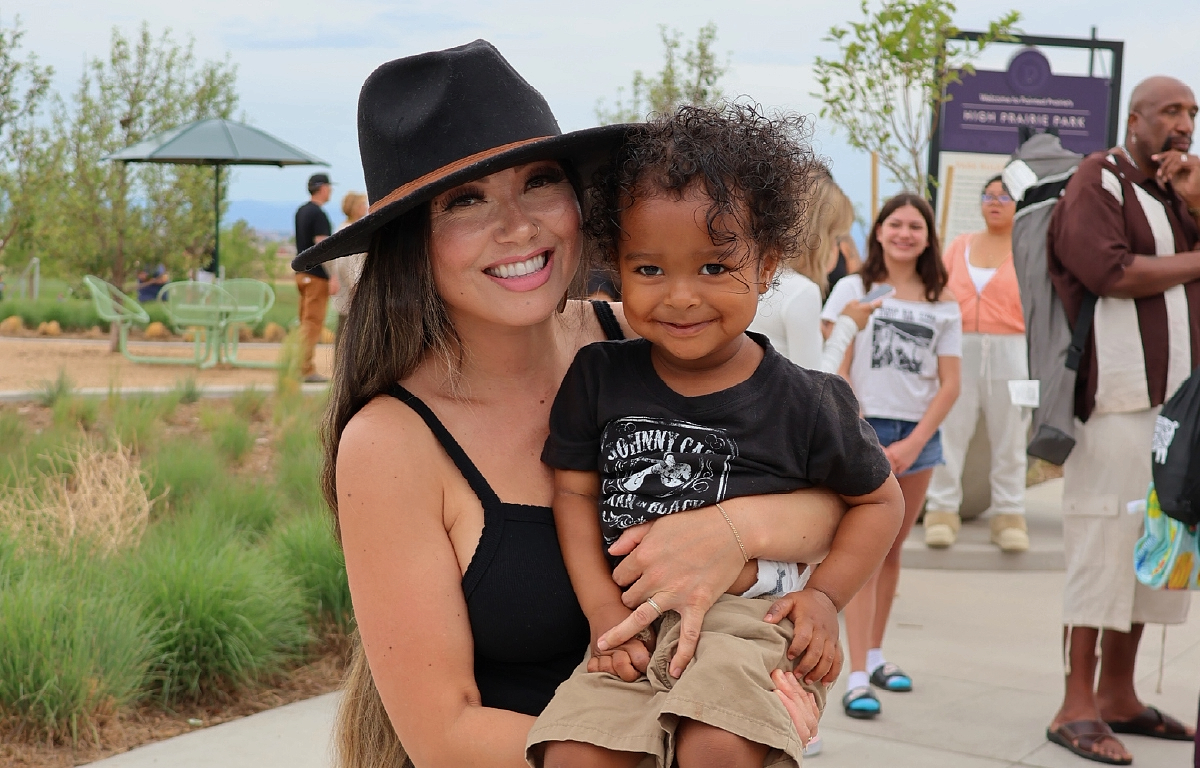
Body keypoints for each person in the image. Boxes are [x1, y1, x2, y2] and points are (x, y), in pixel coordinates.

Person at [293, 41, 847, 768]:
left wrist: (736, 533)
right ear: (412, 241)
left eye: (539, 183)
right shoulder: (393, 442)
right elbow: (444, 735)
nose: (519, 226)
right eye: (466, 200)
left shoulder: (647, 340)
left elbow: (836, 501)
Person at [529, 105, 904, 768]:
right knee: (572, 754)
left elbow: (880, 502)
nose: (680, 297)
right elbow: (573, 493)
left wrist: (823, 596)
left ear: (766, 267)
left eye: (713, 268)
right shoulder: (599, 376)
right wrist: (598, 610)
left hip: (746, 621)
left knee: (718, 748)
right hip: (631, 621)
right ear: (615, 266)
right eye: (649, 270)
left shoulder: (808, 401)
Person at [1042, 75, 1199, 766]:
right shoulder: (1095, 179)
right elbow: (1106, 271)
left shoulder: (1178, 192)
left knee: (1156, 547)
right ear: (1135, 119)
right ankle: (1074, 706)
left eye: (1192, 112)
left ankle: (1120, 695)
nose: (1185, 122)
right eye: (1171, 110)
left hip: (1177, 405)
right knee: (1102, 543)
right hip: (1116, 400)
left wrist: (1194, 193)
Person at [821, 193, 962, 719]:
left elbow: (950, 384)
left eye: (916, 226)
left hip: (918, 438)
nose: (905, 233)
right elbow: (835, 365)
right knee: (865, 553)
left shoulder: (940, 297)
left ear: (928, 237)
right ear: (879, 231)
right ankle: (856, 677)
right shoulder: (854, 289)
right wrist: (862, 434)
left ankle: (876, 656)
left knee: (894, 550)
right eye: (896, 224)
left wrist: (913, 442)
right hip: (863, 428)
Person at [923, 177, 1030, 551]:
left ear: (1018, 203)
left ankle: (1009, 513)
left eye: (1004, 196)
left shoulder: (1028, 248)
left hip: (1013, 347)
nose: (995, 202)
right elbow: (937, 291)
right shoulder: (960, 245)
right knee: (950, 429)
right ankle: (941, 509)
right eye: (989, 195)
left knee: (1011, 436)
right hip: (959, 345)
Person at [752, 172, 878, 374]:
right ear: (820, 237)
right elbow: (812, 383)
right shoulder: (801, 291)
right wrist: (847, 325)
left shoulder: (759, 275)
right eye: (836, 237)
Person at [294, 173, 339, 383]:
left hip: (301, 274)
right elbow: (322, 247)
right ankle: (305, 369)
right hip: (316, 276)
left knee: (305, 322)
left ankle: (297, 364)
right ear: (322, 188)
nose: (330, 191)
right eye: (329, 187)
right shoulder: (319, 214)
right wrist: (332, 275)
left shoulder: (301, 211)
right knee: (312, 323)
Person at [330, 191, 369, 343]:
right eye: (362, 204)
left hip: (346, 288)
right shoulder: (351, 232)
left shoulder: (343, 229)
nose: (365, 207)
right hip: (351, 288)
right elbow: (349, 264)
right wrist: (356, 286)